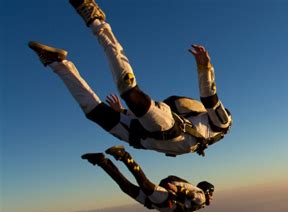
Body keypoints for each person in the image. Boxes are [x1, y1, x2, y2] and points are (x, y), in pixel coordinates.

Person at [28, 0, 232, 157]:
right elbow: (209, 99)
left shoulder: (219, 125)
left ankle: (57, 64)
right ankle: (95, 20)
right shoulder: (213, 124)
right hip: (168, 129)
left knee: (95, 113)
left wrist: (123, 113)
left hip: (139, 136)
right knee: (128, 90)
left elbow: (210, 99)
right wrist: (204, 67)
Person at [82, 145, 214, 212]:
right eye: (211, 193)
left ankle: (102, 162)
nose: (211, 197)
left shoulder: (197, 205)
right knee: (143, 183)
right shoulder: (201, 197)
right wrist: (178, 189)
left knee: (126, 187)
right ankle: (123, 155)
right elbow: (192, 195)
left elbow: (187, 200)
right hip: (164, 200)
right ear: (206, 191)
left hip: (156, 203)